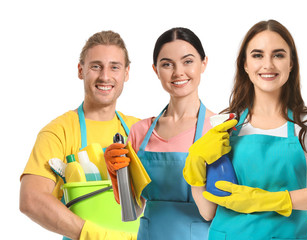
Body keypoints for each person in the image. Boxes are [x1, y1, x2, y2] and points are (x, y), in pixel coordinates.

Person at [182, 19, 307, 239]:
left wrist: (263, 200)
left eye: (278, 55)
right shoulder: (226, 123)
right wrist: (196, 167)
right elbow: (208, 211)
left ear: (291, 63)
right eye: (257, 55)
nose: (268, 64)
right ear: (245, 65)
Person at [19, 30, 140, 239]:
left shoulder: (139, 130)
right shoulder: (59, 132)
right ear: (80, 70)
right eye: (96, 66)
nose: (105, 76)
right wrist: (95, 235)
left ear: (126, 73)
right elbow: (31, 199)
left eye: (114, 67)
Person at [104, 27, 216, 240]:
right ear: (156, 70)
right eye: (167, 64)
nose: (178, 72)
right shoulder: (140, 132)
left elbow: (224, 209)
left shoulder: (218, 130)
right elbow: (135, 211)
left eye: (188, 61)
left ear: (204, 64)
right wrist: (118, 178)